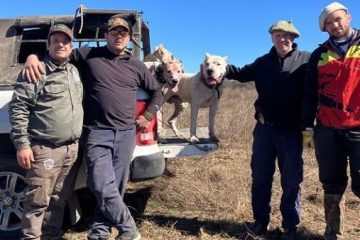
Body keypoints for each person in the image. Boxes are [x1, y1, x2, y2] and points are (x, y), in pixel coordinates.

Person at [23, 15, 163, 240]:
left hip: (126, 134)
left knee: (114, 187)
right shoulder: (89, 55)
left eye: (123, 33)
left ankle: (99, 233)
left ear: (128, 39)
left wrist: (148, 114)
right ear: (106, 35)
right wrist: (32, 56)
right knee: (99, 184)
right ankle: (129, 228)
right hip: (97, 132)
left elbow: (157, 93)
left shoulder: (136, 65)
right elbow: (59, 52)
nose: (119, 36)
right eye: (114, 32)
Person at [225, 20, 310, 240]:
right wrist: (215, 67)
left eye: (287, 36)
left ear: (294, 38)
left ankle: (290, 226)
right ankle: (260, 222)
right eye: (278, 35)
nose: (282, 39)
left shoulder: (306, 61)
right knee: (261, 178)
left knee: (291, 180)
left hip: (291, 132)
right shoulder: (262, 63)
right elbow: (240, 73)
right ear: (272, 37)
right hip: (264, 131)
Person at [9, 24, 83, 240]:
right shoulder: (36, 71)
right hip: (45, 149)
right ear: (48, 45)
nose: (61, 44)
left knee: (59, 200)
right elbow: (19, 108)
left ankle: (50, 236)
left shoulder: (74, 71)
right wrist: (22, 145)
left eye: (65, 41)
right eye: (56, 40)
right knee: (37, 201)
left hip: (71, 150)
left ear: (71, 46)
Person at [302, 2, 360, 239]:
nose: (335, 25)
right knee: (332, 183)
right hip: (326, 130)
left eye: (338, 19)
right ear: (324, 27)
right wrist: (307, 130)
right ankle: (333, 233)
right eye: (329, 22)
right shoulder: (319, 54)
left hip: (358, 128)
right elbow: (308, 94)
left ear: (348, 17)